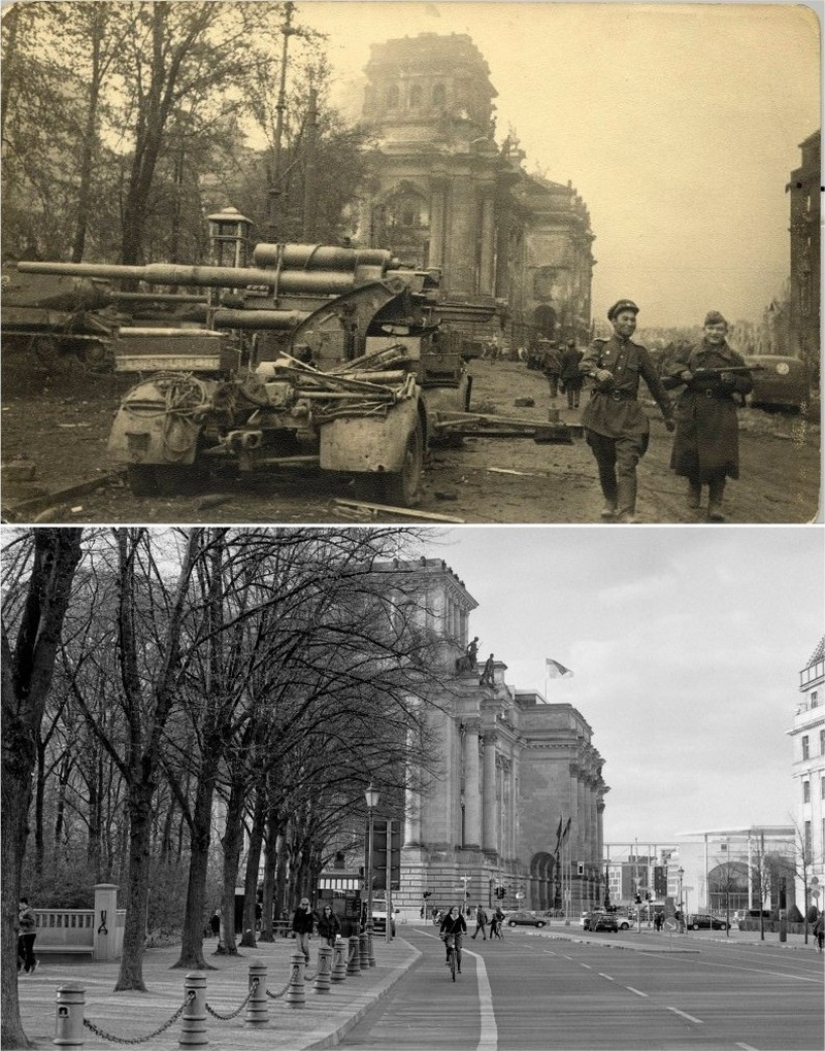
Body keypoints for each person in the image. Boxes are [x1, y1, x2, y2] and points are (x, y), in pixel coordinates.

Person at [579, 300, 676, 523]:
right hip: (600, 413)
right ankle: (611, 501)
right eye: (625, 318)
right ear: (614, 321)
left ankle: (627, 513)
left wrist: (668, 413)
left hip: (629, 417)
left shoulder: (639, 352)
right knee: (605, 464)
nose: (630, 323)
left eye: (633, 319)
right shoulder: (599, 345)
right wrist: (596, 373)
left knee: (627, 464)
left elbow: (655, 384)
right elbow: (584, 365)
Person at [663, 310, 754, 522]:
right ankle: (693, 487)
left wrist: (733, 381)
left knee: (720, 458)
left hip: (721, 410)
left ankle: (716, 503)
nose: (715, 332)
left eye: (719, 329)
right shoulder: (692, 351)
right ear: (704, 330)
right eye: (711, 328)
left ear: (726, 331)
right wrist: (681, 373)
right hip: (694, 407)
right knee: (692, 453)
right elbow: (673, 365)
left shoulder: (734, 357)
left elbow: (748, 384)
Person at [560, 338, 584, 409]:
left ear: (568, 345)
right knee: (577, 388)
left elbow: (563, 365)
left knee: (569, 389)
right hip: (578, 373)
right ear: (575, 345)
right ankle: (576, 401)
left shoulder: (565, 354)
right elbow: (582, 363)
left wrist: (561, 375)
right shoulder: (580, 353)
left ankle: (570, 404)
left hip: (568, 374)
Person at [292, 897, 316, 964]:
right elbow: (295, 920)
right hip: (298, 929)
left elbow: (311, 923)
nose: (304, 905)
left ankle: (307, 957)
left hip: (306, 930)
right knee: (299, 946)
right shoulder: (298, 910)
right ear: (301, 904)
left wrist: (310, 932)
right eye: (303, 904)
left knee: (305, 946)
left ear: (308, 904)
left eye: (306, 904)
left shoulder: (309, 912)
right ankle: (301, 959)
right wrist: (293, 929)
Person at [18, 897, 37, 975]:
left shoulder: (30, 911)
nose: (19, 906)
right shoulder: (21, 912)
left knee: (28, 950)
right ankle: (32, 962)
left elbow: (32, 921)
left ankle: (29, 967)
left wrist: (21, 920)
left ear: (23, 903)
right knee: (19, 949)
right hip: (22, 933)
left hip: (30, 933)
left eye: (19, 904)